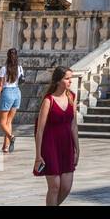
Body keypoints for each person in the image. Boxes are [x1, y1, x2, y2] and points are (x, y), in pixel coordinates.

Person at [33, 66, 78, 206]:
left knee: (66, 186)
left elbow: (73, 125)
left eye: (71, 78)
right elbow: (39, 130)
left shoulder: (72, 97)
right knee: (55, 187)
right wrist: (38, 155)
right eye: (67, 78)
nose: (70, 81)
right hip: (50, 145)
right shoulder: (48, 100)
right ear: (58, 81)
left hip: (67, 145)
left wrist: (77, 148)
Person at [0, 48, 25, 153]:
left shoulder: (4, 68)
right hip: (17, 93)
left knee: (2, 122)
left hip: (7, 93)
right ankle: (5, 146)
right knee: (9, 121)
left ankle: (11, 137)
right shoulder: (20, 68)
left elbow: (0, 85)